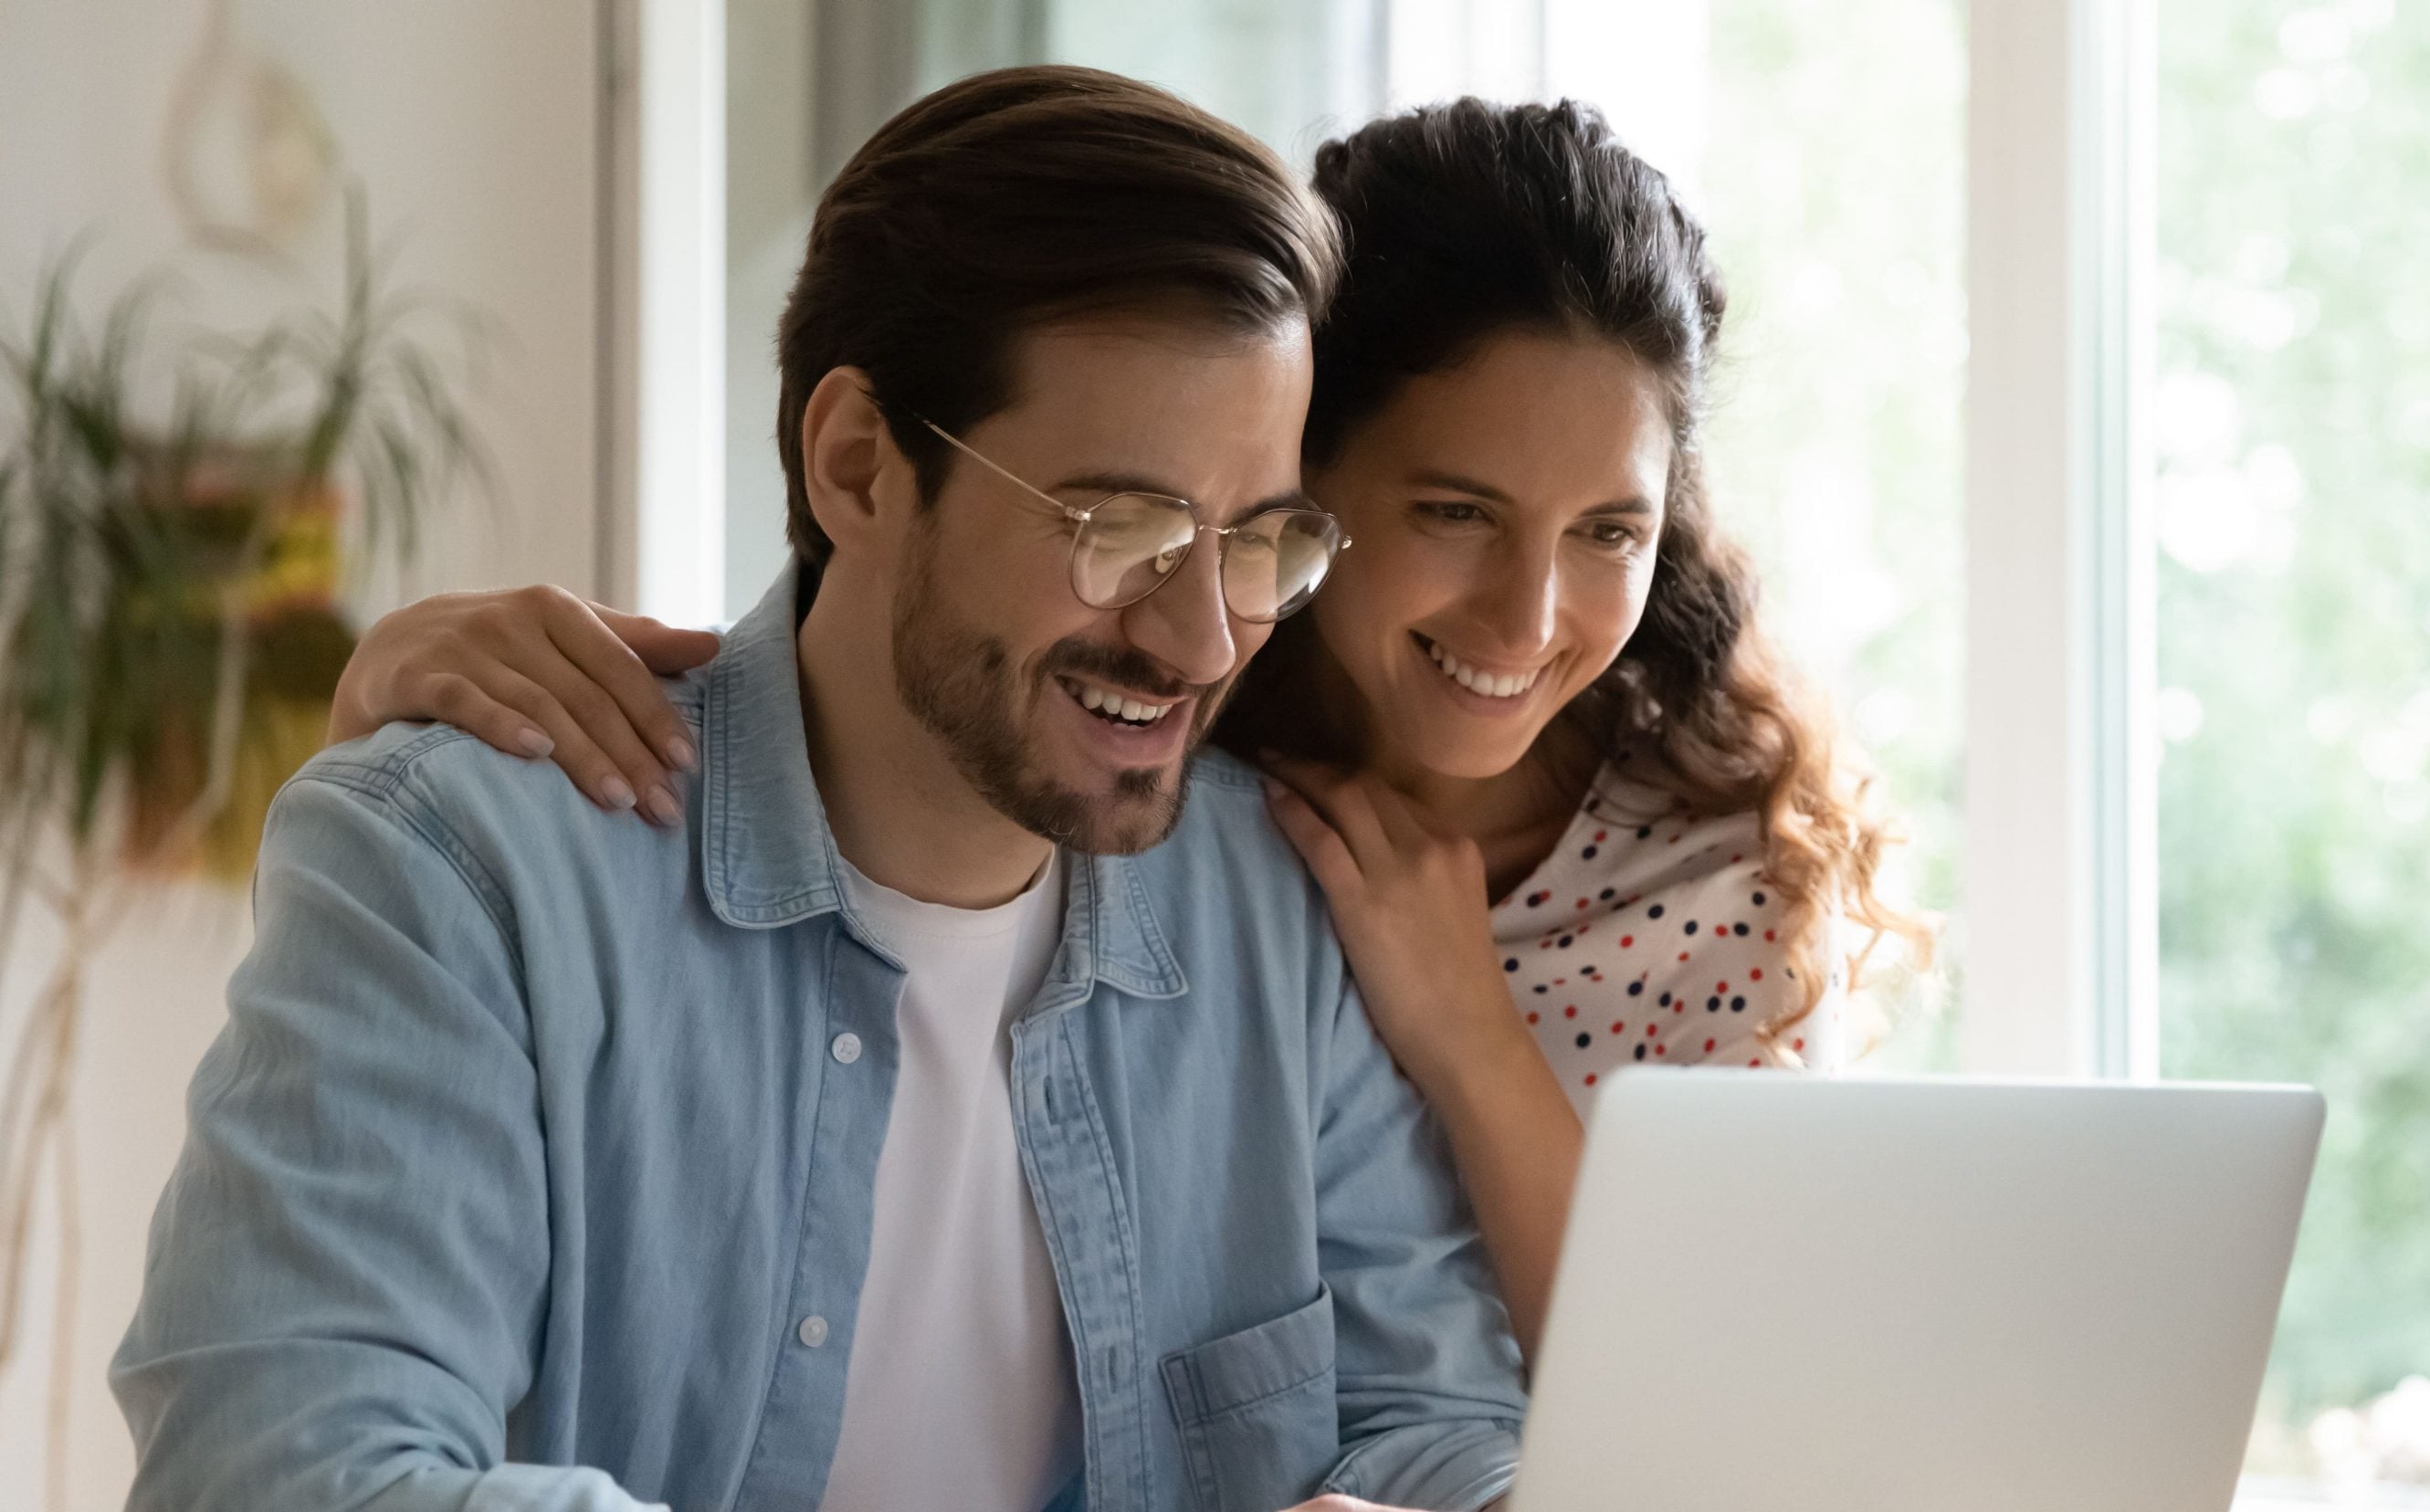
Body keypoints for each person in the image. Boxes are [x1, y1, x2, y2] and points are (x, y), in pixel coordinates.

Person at [114, 67, 1525, 1512]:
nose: (1205, 640)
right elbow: (279, 1471)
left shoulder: (1280, 910)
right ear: (857, 466)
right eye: (1121, 529)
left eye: (1257, 543)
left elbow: (1434, 1420)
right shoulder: (465, 873)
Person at [325, 100, 1930, 1356]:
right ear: (1309, 470)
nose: (1527, 619)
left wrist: (1466, 1031)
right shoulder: (1158, 753)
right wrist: (395, 695)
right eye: (1453, 511)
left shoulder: (1709, 878)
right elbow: (903, 636)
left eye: (1611, 531)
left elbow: (1709, 1406)